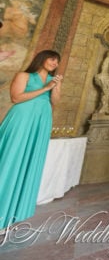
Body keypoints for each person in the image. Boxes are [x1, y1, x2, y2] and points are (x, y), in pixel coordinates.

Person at [0, 50, 63, 230]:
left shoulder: (53, 80)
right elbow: (16, 97)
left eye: (57, 61)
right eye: (52, 59)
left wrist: (56, 87)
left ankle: (11, 213)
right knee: (9, 159)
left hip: (41, 121)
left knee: (27, 162)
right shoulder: (24, 75)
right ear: (42, 59)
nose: (54, 63)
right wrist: (45, 87)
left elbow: (55, 102)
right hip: (21, 119)